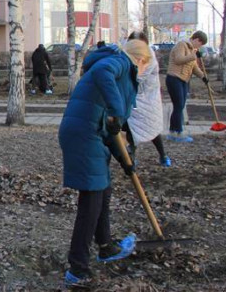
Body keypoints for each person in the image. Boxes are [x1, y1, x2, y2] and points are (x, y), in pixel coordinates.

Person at [59, 40, 153, 286]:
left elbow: (111, 127)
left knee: (103, 191)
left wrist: (125, 161)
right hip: (83, 135)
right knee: (91, 200)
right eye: (146, 67)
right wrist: (117, 109)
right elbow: (110, 103)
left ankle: (105, 247)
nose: (143, 73)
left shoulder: (117, 70)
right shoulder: (120, 61)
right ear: (141, 61)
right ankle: (77, 270)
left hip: (89, 133)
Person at [124, 32, 170, 167]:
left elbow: (138, 77)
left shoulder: (148, 57)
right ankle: (131, 157)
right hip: (134, 98)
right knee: (131, 126)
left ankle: (162, 155)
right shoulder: (128, 54)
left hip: (149, 98)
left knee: (151, 126)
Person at [165, 31, 208, 142]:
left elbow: (194, 68)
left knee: (180, 106)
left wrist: (203, 77)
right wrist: (193, 56)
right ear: (196, 39)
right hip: (174, 78)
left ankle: (172, 131)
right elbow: (179, 60)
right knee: (178, 105)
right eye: (200, 43)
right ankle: (178, 132)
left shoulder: (192, 51)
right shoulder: (181, 45)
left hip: (184, 80)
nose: (200, 46)